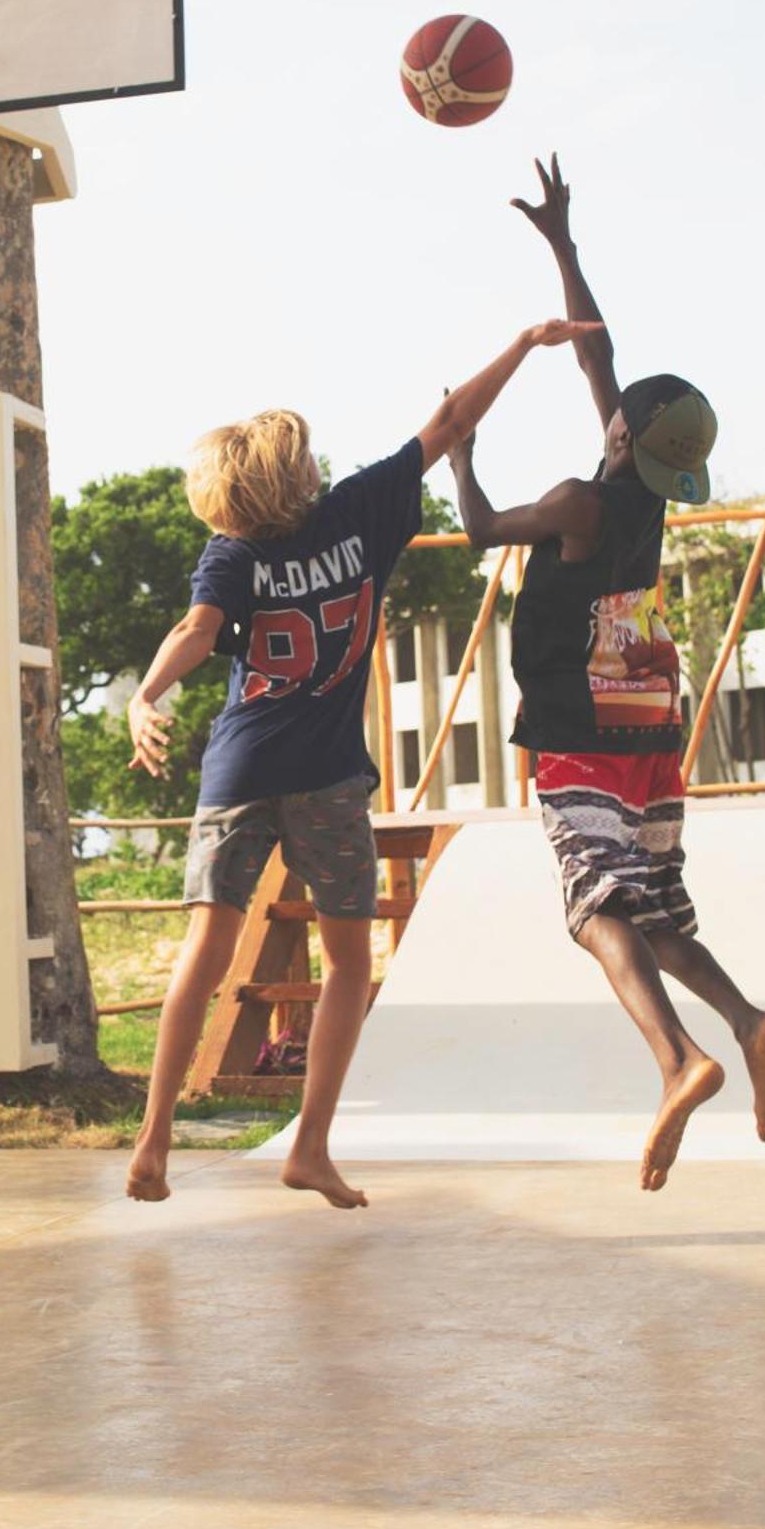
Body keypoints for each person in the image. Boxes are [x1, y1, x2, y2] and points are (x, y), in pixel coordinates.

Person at [125, 314, 602, 1209]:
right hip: (326, 783)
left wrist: (147, 697)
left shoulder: (231, 551)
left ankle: (153, 1139)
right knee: (347, 962)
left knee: (207, 944)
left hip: (237, 773)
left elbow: (195, 631)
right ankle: (307, 1147)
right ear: (294, 476)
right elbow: (452, 421)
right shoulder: (360, 510)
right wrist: (525, 345)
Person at [450, 154, 765, 1191]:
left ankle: (677, 1058)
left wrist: (462, 451)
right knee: (653, 906)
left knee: (592, 908)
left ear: (617, 433)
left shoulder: (574, 498)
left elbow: (473, 527)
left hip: (575, 725)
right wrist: (562, 243)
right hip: (650, 715)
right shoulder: (644, 500)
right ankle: (743, 1018)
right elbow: (599, 358)